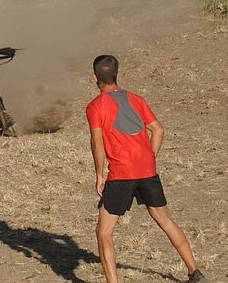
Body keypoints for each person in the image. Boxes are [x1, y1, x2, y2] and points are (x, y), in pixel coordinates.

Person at [86, 55, 206, 283]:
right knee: (165, 221)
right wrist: (148, 158)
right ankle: (195, 272)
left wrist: (99, 175)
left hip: (121, 175)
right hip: (148, 172)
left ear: (94, 78)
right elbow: (158, 130)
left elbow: (97, 141)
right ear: (117, 75)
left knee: (103, 232)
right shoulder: (137, 99)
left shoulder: (95, 107)